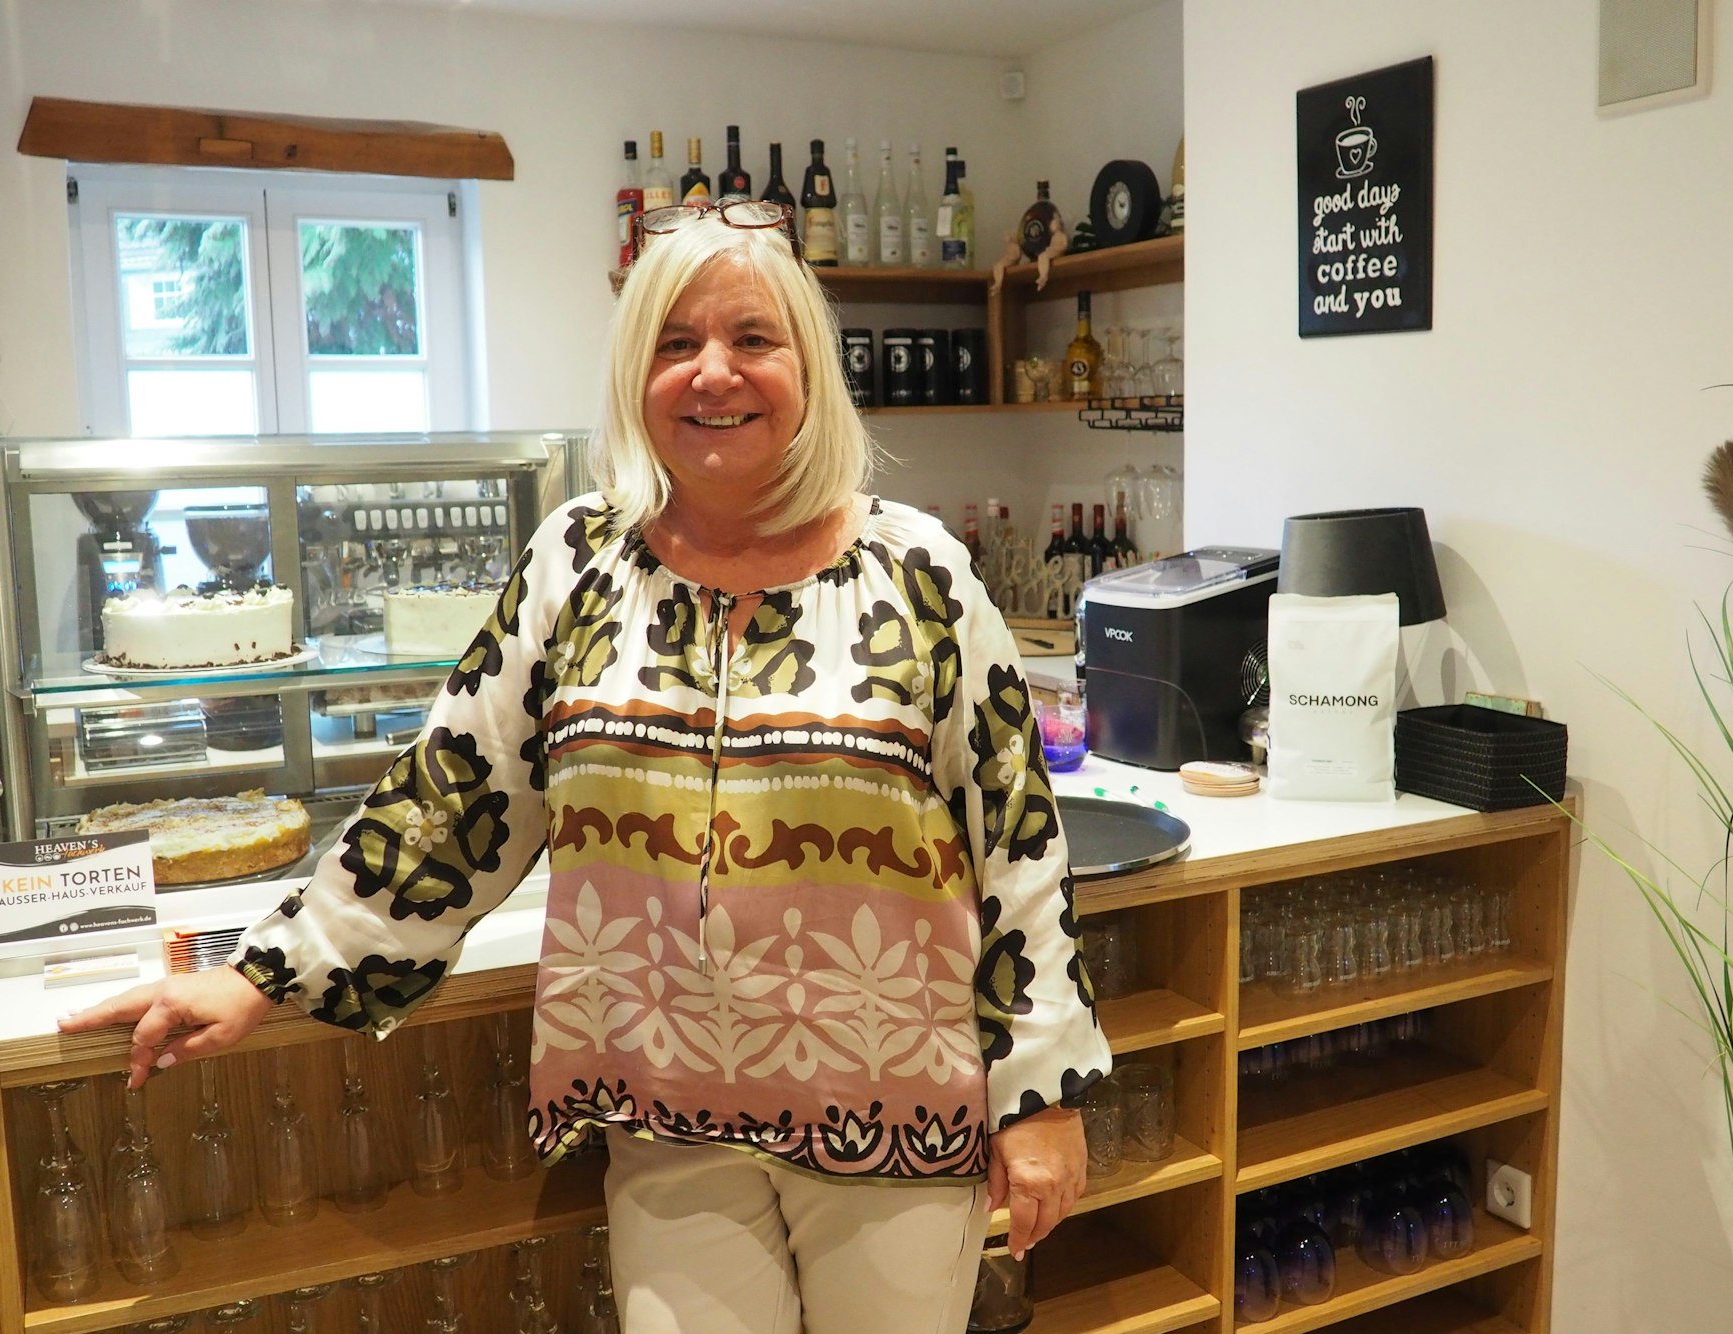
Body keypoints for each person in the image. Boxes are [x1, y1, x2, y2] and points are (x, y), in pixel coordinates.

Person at [62, 200, 1111, 1333]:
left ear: (808, 365)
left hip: (897, 1118)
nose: (713, 372)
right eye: (675, 343)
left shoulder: (918, 570)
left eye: (752, 338)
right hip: (663, 1114)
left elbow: (1017, 839)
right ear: (635, 374)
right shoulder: (576, 562)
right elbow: (454, 792)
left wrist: (1040, 1093)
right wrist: (259, 972)